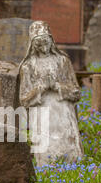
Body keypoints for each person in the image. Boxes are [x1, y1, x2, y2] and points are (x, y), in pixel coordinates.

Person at [19, 21, 84, 167]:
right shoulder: (28, 66)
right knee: (47, 154)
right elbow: (24, 99)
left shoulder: (62, 61)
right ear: (33, 44)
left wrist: (57, 86)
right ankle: (47, 166)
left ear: (51, 41)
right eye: (39, 44)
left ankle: (73, 163)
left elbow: (76, 92)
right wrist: (40, 88)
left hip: (63, 112)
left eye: (45, 42)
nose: (43, 47)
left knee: (70, 153)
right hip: (42, 112)